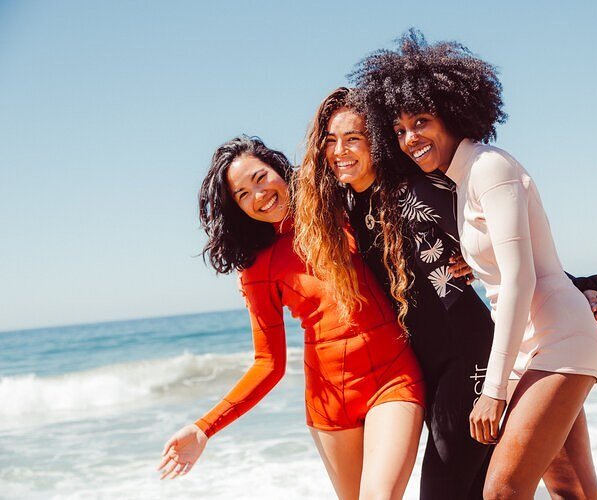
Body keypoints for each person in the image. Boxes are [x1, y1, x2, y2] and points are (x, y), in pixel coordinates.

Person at [296, 86, 597, 499]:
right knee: (567, 485)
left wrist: (586, 287)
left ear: (375, 140)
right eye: (331, 141)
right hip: (435, 368)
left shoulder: (420, 191)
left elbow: (510, 254)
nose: (340, 151)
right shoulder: (343, 209)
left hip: (471, 360)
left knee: (452, 491)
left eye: (353, 138)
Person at [157, 136, 425, 500]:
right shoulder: (257, 269)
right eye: (243, 194)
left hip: (393, 378)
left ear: (279, 170)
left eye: (259, 178)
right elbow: (268, 364)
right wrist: (205, 428)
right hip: (329, 403)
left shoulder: (337, 207)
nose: (259, 194)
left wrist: (464, 254)